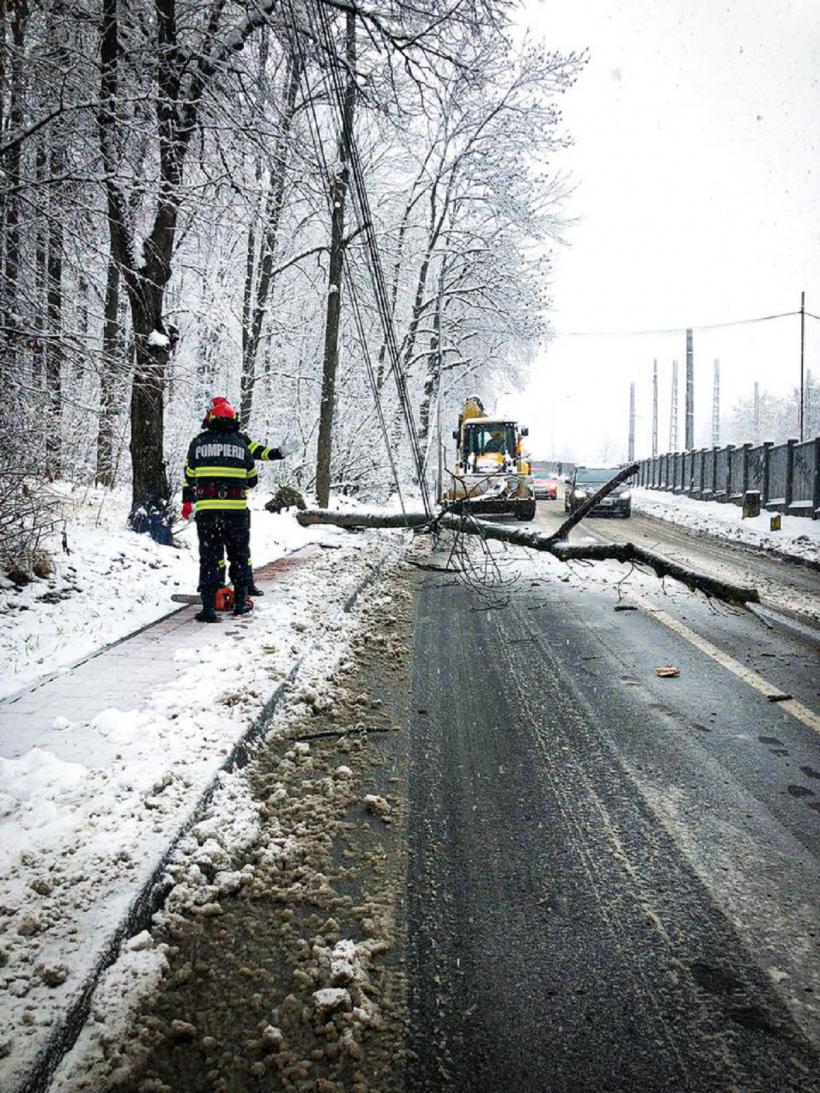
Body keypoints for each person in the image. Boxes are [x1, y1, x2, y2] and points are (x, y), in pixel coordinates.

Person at [197, 398, 296, 597]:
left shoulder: (205, 443)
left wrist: (278, 453)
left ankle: (224, 586)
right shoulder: (235, 441)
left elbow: (259, 451)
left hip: (212, 509)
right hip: (235, 508)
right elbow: (251, 475)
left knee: (216, 551)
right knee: (238, 550)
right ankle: (232, 587)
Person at [181, 398, 259, 622]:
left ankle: (208, 608)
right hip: (236, 512)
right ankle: (241, 602)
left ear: (211, 418)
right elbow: (252, 480)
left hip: (208, 512)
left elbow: (189, 476)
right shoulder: (241, 445)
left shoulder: (198, 443)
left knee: (210, 557)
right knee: (239, 555)